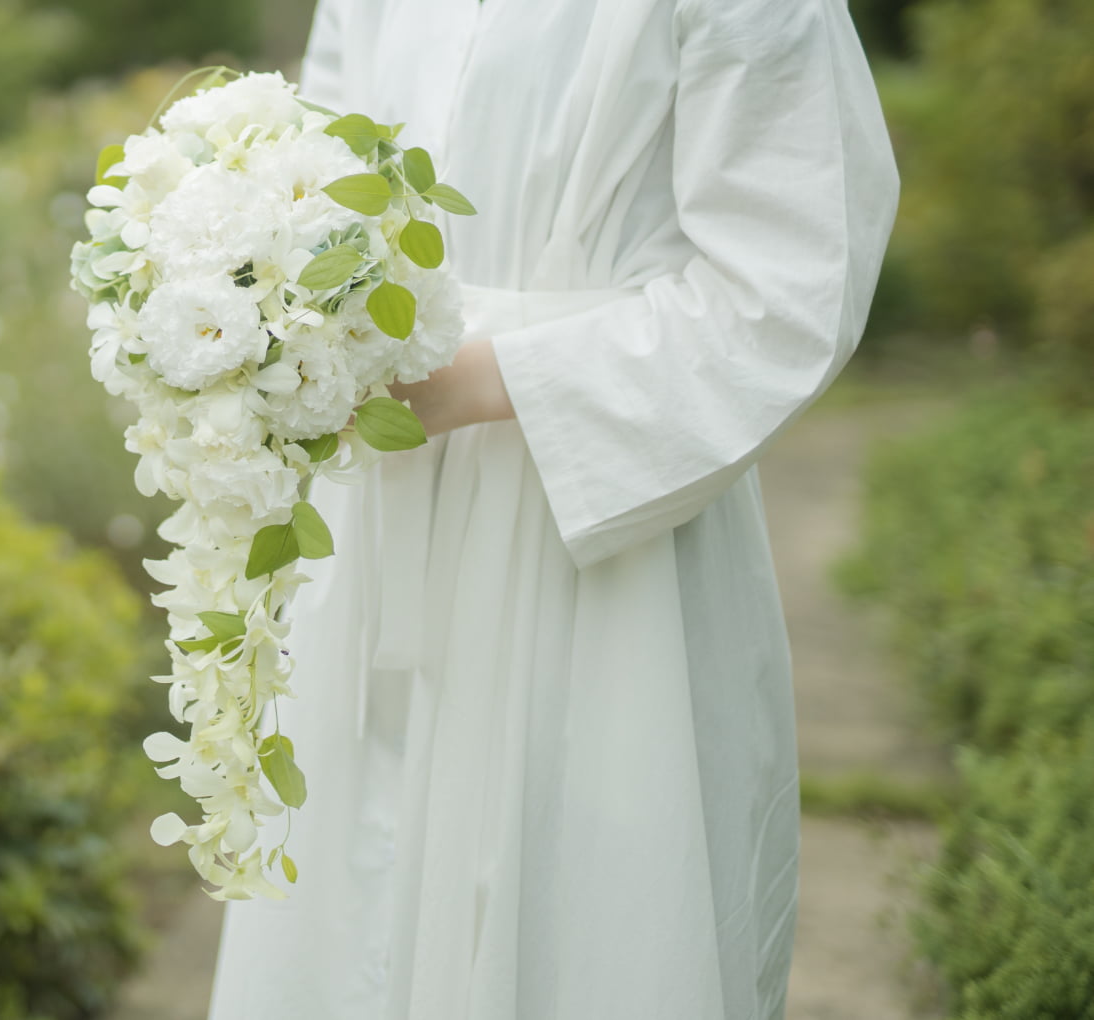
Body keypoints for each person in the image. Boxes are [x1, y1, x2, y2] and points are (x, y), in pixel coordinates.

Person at [204, 0, 899, 1016]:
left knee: (573, 910)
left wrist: (478, 382)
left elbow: (788, 289)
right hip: (376, 507)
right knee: (351, 890)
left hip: (603, 518)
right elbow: (311, 175)